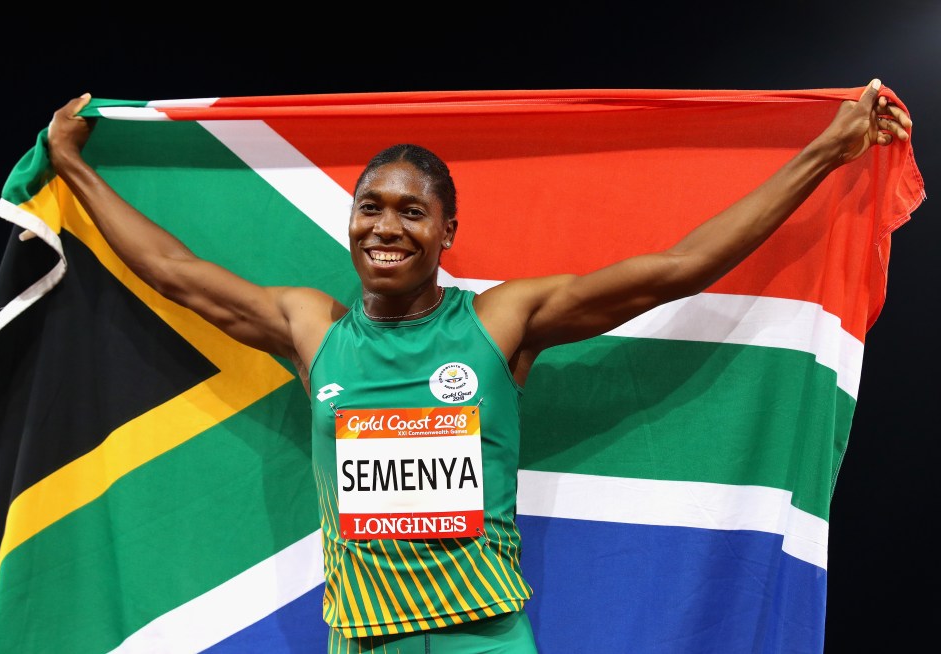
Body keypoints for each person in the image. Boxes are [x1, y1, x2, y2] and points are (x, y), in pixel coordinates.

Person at [45, 80, 910, 654]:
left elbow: (677, 269)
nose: (386, 226)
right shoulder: (311, 329)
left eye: (412, 213)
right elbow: (173, 270)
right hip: (362, 636)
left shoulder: (500, 323)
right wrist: (75, 167)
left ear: (447, 234)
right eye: (370, 207)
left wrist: (826, 153)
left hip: (482, 635)